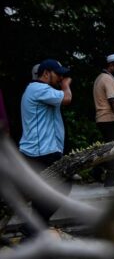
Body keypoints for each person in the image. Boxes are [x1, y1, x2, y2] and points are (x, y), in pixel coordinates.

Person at [18, 59, 73, 233]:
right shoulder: (40, 89)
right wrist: (66, 85)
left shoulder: (36, 90)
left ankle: (34, 229)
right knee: (64, 184)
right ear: (46, 73)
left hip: (38, 150)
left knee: (41, 193)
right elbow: (67, 98)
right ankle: (34, 228)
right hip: (42, 152)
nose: (61, 77)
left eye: (63, 75)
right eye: (58, 74)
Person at [91, 54, 114, 187]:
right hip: (109, 119)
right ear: (110, 65)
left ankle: (99, 169)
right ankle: (108, 177)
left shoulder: (100, 78)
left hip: (102, 120)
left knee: (110, 148)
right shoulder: (107, 79)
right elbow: (113, 100)